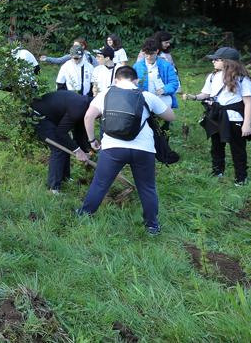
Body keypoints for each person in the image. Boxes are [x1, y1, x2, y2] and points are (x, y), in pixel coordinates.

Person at [76, 65, 175, 235]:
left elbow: (88, 116)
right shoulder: (146, 96)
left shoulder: (105, 94)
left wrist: (92, 140)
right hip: (143, 149)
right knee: (147, 187)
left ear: (116, 80)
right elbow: (171, 116)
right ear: (136, 81)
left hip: (112, 148)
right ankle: (152, 226)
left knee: (100, 183)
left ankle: (84, 214)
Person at [182, 47, 251, 185]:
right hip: (216, 116)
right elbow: (206, 94)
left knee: (237, 149)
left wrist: (246, 124)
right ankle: (217, 171)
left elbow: (249, 103)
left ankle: (241, 178)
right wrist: (194, 97)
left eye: (217, 59)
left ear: (228, 62)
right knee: (216, 146)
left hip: (235, 119)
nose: (213, 61)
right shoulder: (212, 77)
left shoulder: (242, 80)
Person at [31, 90, 92, 193]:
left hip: (52, 118)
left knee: (66, 144)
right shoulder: (79, 107)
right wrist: (78, 151)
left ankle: (65, 178)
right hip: (39, 117)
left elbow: (80, 132)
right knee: (59, 148)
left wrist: (85, 151)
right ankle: (53, 188)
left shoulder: (85, 106)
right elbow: (61, 133)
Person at [133, 37, 179, 111]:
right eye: (146, 54)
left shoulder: (166, 65)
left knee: (165, 116)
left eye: (151, 54)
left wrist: (164, 90)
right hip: (144, 99)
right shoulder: (137, 66)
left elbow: (174, 83)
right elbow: (131, 84)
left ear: (157, 51)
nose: (148, 57)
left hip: (163, 98)